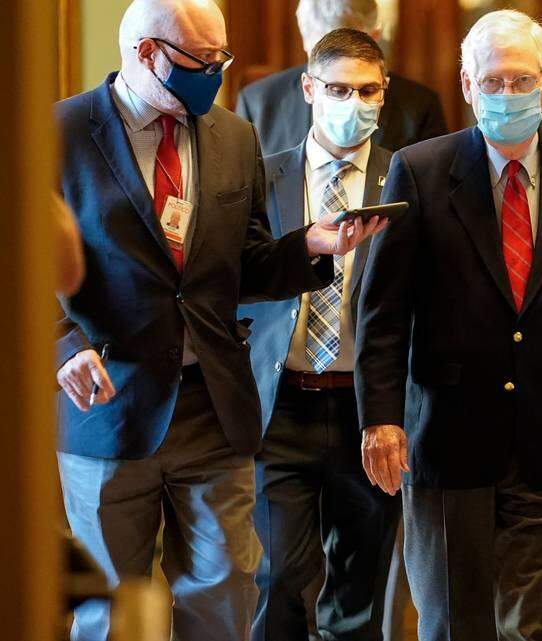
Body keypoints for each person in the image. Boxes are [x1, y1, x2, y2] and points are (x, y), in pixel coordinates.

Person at [53, 1, 379, 639]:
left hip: (213, 404)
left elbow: (246, 265)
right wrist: (63, 342)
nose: (217, 74)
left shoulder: (233, 135)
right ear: (146, 54)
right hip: (108, 407)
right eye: (202, 61)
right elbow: (19, 260)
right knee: (110, 611)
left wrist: (308, 246)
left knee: (227, 591)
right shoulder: (59, 131)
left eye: (222, 57)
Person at [353, 9, 542, 641]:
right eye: (493, 82)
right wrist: (380, 419)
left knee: (537, 625)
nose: (508, 95)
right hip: (447, 433)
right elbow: (383, 312)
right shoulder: (421, 169)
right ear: (467, 86)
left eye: (522, 81)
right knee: (453, 624)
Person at [236, 29, 399, 641]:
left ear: (383, 94)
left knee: (359, 591)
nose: (353, 102)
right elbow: (237, 282)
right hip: (281, 406)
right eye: (337, 89)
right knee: (278, 577)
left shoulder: (405, 177)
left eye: (367, 90)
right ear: (309, 89)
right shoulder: (261, 176)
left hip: (368, 409)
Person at [236, 0, 447, 156]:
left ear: (374, 37)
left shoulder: (419, 106)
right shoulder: (258, 102)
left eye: (346, 52)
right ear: (304, 38)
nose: (334, 68)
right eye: (322, 53)